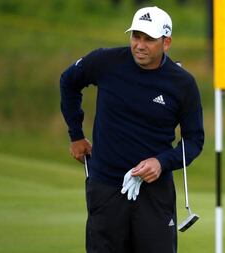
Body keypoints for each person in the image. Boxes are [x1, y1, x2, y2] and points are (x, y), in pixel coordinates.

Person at [60, 6, 204, 253]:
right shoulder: (106, 62)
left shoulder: (182, 83)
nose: (139, 45)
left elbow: (194, 141)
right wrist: (76, 135)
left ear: (166, 42)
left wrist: (161, 162)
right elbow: (68, 81)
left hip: (154, 192)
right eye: (136, 36)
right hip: (106, 185)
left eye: (149, 39)